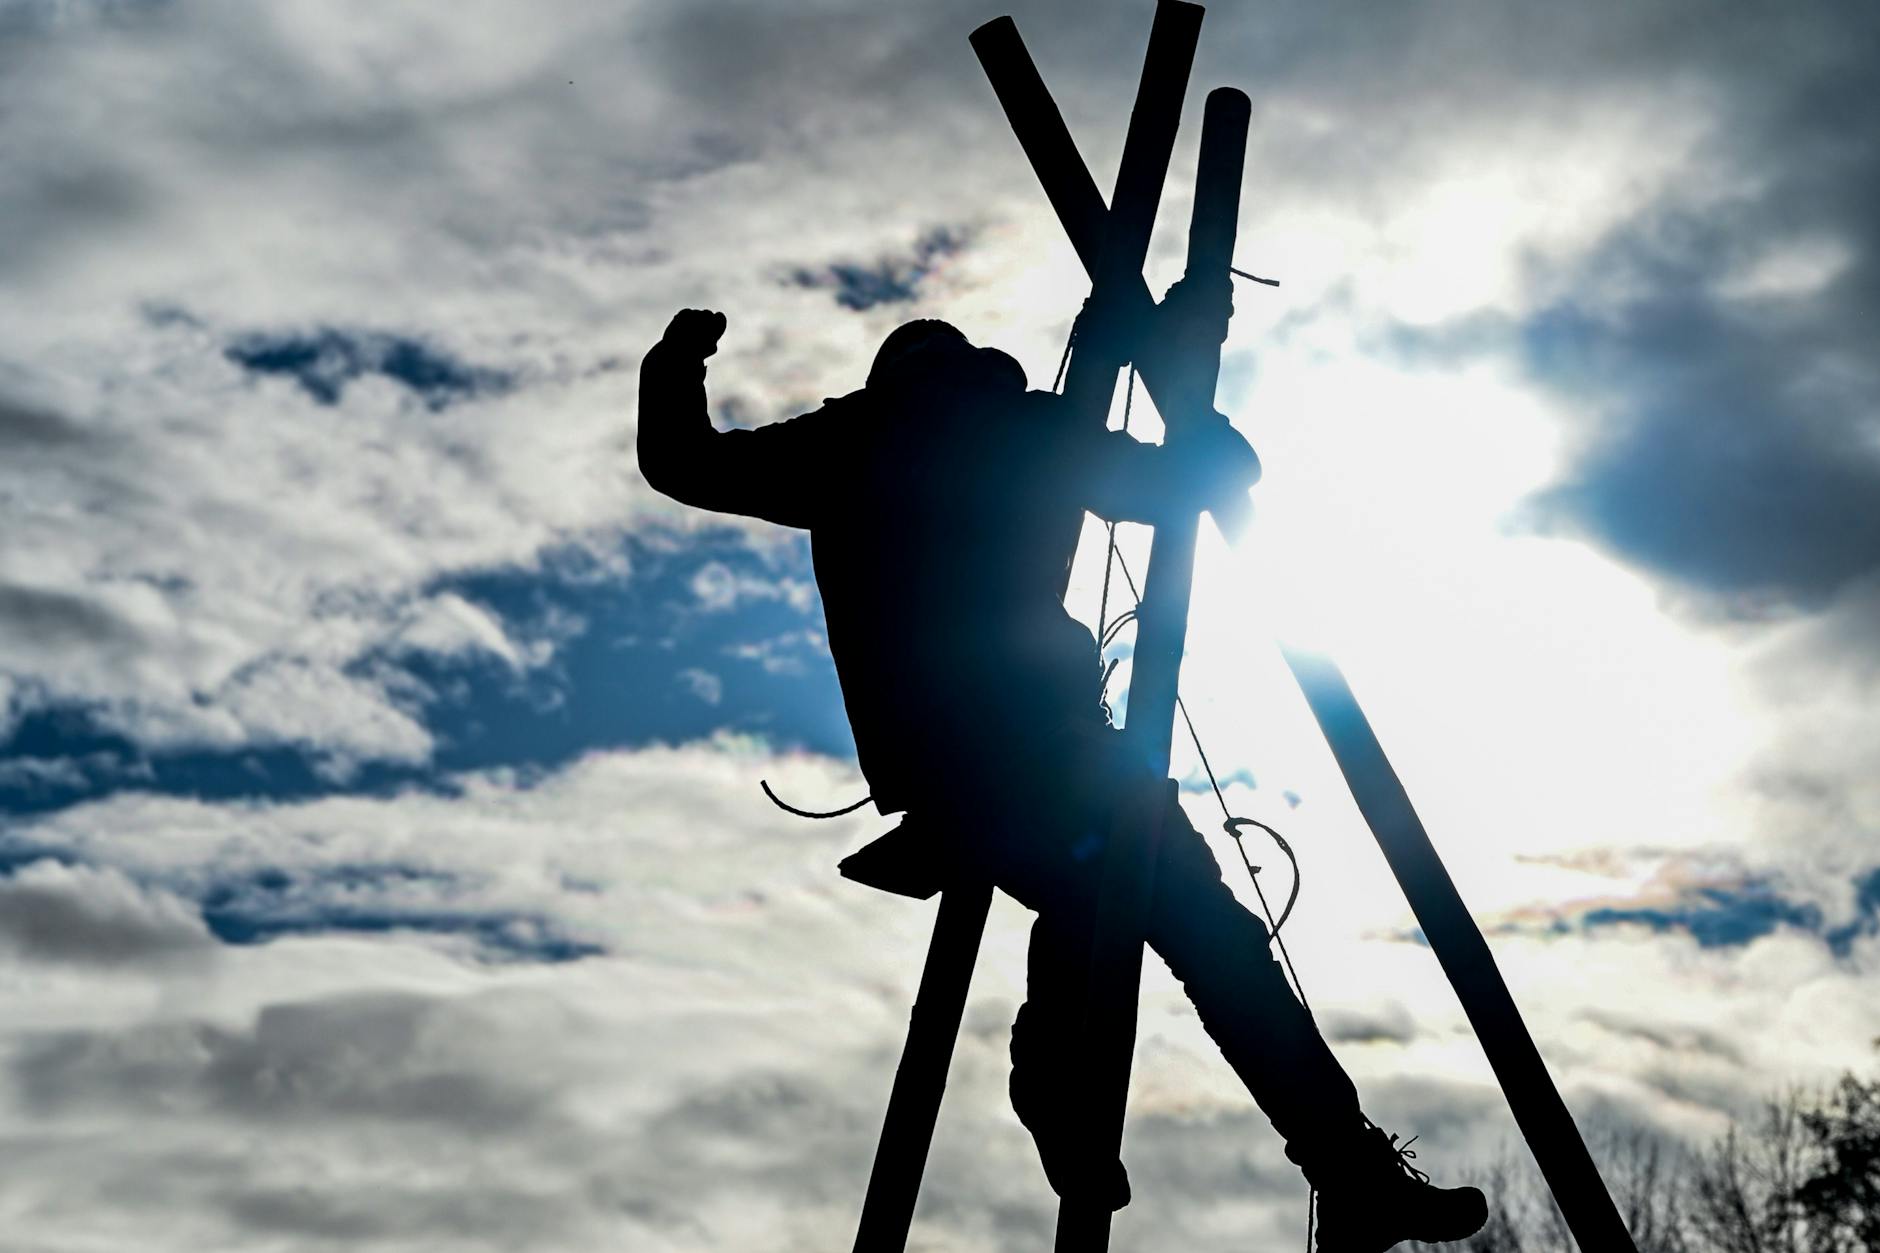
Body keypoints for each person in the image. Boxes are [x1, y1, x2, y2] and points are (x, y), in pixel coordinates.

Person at [637, 289, 1488, 1253]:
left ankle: (1164, 1111)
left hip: (979, 769)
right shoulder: (1010, 430)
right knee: (1187, 920)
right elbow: (1201, 482)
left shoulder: (858, 439)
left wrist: (678, 360)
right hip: (1033, 754)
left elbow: (684, 460)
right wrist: (1184, 392)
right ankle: (1300, 1150)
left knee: (1123, 899)